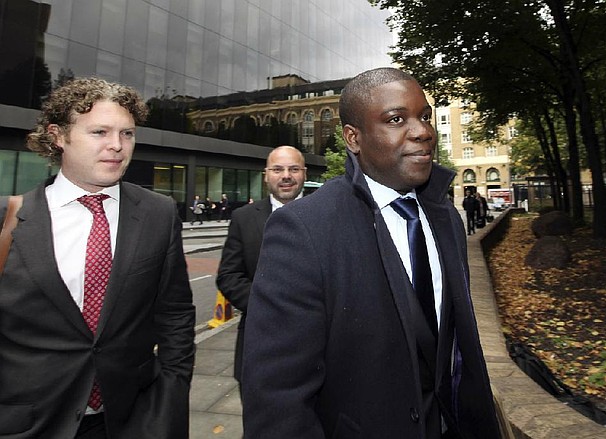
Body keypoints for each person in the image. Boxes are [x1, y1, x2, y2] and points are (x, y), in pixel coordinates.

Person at [241, 68, 500, 438]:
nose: (423, 131)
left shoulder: (448, 221)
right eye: (396, 119)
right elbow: (277, 400)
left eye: (424, 116)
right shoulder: (303, 230)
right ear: (353, 137)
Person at [0, 77, 195, 438]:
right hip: (29, 423)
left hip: (132, 419)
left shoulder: (159, 213)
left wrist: (170, 399)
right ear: (58, 136)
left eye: (127, 134)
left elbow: (176, 316)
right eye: (100, 132)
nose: (116, 146)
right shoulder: (8, 220)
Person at [216, 145, 306, 395]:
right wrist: (267, 306)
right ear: (266, 175)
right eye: (277, 169)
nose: (286, 175)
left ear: (304, 173)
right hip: (260, 348)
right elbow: (229, 276)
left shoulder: (328, 214)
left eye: (293, 169)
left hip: (317, 350)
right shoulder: (243, 218)